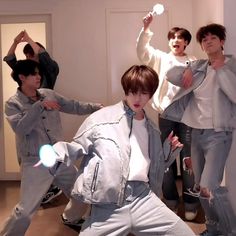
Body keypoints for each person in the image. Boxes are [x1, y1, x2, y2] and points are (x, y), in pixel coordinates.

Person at [47, 65, 195, 235]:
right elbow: (76, 146)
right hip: (108, 204)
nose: (137, 97)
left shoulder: (153, 129)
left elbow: (154, 167)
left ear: (151, 94)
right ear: (126, 90)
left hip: (144, 199)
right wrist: (56, 152)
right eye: (133, 91)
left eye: (144, 92)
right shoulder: (101, 118)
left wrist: (167, 153)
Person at [0, 59, 102, 236]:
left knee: (81, 192)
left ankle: (71, 217)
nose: (38, 76)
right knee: (24, 211)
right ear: (22, 77)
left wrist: (96, 108)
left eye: (39, 73)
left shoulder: (48, 94)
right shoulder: (12, 104)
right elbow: (21, 129)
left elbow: (73, 105)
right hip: (34, 162)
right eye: (34, 74)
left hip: (59, 156)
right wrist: (39, 107)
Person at [162, 23, 236, 236]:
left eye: (213, 38)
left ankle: (230, 231)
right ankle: (212, 229)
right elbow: (170, 74)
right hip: (196, 133)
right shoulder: (199, 66)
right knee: (199, 187)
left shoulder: (231, 65)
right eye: (204, 40)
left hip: (219, 134)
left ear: (222, 41)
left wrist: (221, 69)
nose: (208, 41)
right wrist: (187, 67)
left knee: (210, 185)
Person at [136, 12, 199, 220]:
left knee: (188, 160)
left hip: (188, 117)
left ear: (186, 42)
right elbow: (142, 51)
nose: (175, 41)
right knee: (165, 158)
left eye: (180, 38)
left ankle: (190, 201)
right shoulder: (161, 58)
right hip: (166, 114)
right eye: (172, 37)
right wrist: (146, 28)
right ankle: (170, 200)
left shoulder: (195, 61)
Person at [3, 30, 61, 204]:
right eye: (28, 56)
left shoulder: (49, 70)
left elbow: (43, 56)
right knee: (29, 152)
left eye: (32, 55)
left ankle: (50, 187)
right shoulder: (25, 72)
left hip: (46, 116)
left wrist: (29, 40)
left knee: (49, 152)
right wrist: (15, 41)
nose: (30, 58)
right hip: (28, 115)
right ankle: (42, 190)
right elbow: (9, 58)